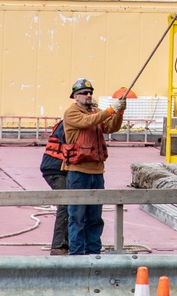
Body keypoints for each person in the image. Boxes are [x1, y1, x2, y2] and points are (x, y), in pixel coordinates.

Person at [62, 79, 126, 256]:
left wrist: (119, 112)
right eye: (84, 92)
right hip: (78, 173)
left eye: (90, 92)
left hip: (97, 172)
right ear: (75, 96)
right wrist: (112, 109)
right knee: (77, 217)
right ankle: (77, 255)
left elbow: (110, 126)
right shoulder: (72, 113)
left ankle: (93, 252)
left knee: (95, 218)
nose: (88, 95)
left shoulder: (96, 112)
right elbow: (88, 122)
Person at [40, 116, 69, 255]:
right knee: (66, 202)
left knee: (74, 202)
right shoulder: (72, 122)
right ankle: (59, 245)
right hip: (54, 170)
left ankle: (71, 242)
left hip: (62, 169)